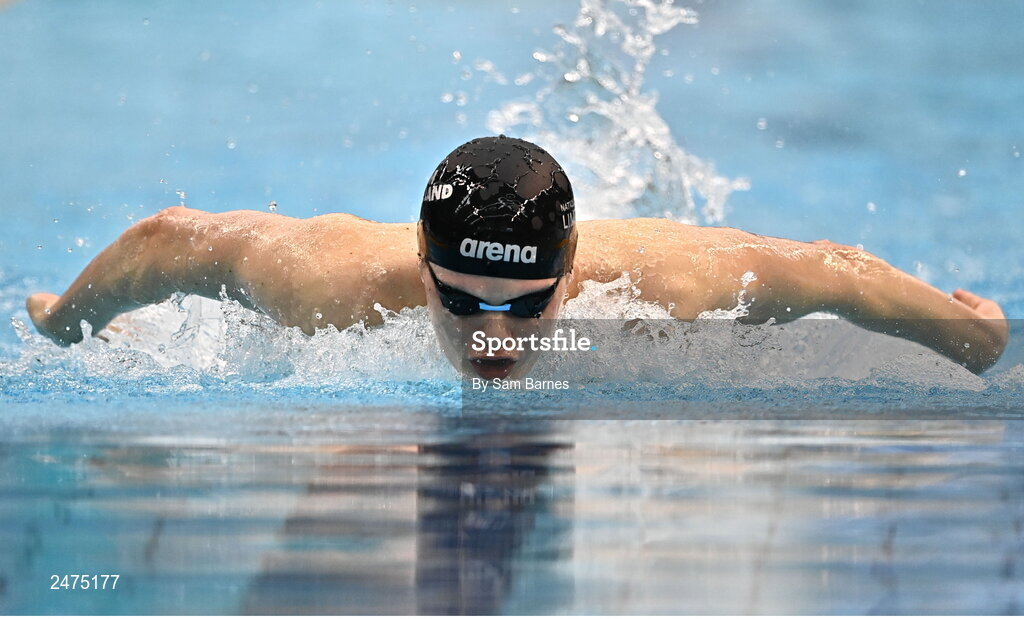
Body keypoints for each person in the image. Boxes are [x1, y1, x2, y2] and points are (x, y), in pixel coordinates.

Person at [26, 136, 1007, 378]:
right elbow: (166, 240)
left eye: (523, 304)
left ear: (570, 279)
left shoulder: (667, 286)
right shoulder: (324, 279)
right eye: (458, 300)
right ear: (420, 263)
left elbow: (829, 268)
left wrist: (970, 336)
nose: (489, 335)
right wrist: (62, 324)